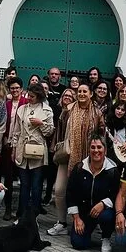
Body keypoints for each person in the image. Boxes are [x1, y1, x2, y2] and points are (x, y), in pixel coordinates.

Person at [66, 134, 119, 252]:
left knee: (107, 216)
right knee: (78, 243)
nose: (96, 150)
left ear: (105, 150)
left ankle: (106, 237)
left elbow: (116, 194)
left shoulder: (113, 170)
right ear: (89, 149)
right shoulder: (79, 168)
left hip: (104, 211)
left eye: (99, 147)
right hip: (85, 212)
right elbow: (70, 194)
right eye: (93, 147)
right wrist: (76, 218)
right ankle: (87, 232)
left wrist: (103, 204)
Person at [11, 83, 54, 217]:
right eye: (28, 95)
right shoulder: (22, 109)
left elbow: (49, 132)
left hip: (38, 150)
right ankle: (21, 214)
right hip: (22, 148)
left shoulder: (47, 110)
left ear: (39, 96)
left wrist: (41, 124)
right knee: (24, 184)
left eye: (32, 96)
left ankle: (33, 215)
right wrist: (14, 148)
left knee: (36, 185)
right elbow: (16, 131)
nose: (29, 98)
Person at [47, 88, 76, 236]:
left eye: (71, 95)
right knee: (59, 189)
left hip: (77, 156)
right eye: (65, 95)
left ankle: (78, 222)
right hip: (64, 155)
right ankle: (62, 222)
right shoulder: (61, 112)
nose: (67, 97)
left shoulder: (76, 113)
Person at [0, 76, 27, 220]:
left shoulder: (26, 104)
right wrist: (4, 137)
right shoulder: (7, 104)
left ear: (21, 89)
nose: (15, 90)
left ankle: (21, 210)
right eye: (12, 88)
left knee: (23, 178)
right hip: (8, 145)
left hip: (22, 146)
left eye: (17, 88)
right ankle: (8, 208)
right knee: (8, 178)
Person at [66, 84, 106, 173]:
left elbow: (102, 134)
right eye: (79, 91)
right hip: (69, 153)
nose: (81, 94)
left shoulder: (97, 113)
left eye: (84, 91)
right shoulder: (69, 110)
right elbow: (61, 130)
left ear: (91, 94)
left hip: (90, 153)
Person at [43, 67, 66, 206]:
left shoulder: (64, 89)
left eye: (56, 74)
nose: (54, 76)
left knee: (55, 166)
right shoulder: (43, 87)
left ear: (60, 76)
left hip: (59, 133)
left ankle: (53, 195)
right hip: (45, 133)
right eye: (52, 74)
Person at [105, 101, 126, 167]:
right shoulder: (107, 123)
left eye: (122, 110)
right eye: (118, 108)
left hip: (122, 154)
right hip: (109, 154)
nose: (119, 111)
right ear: (114, 109)